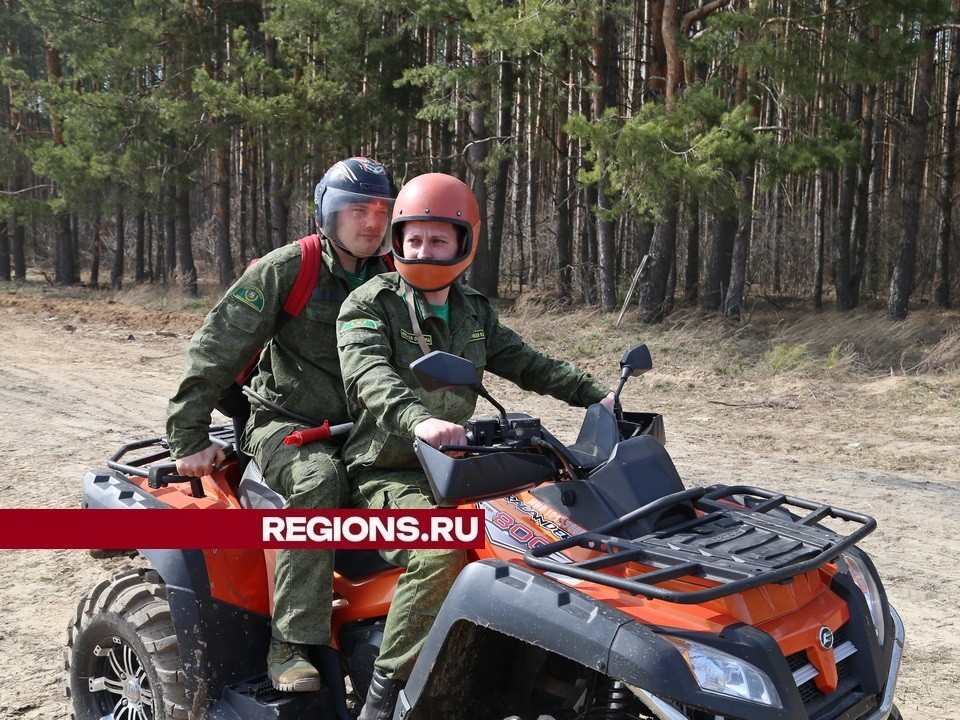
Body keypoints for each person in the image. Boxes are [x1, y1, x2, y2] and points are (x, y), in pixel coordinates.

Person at [336, 172, 615, 720]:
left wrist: (597, 397)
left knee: (553, 534)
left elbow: (526, 361)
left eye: (438, 239)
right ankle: (386, 693)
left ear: (465, 243)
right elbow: (368, 376)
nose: (423, 250)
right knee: (441, 551)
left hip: (461, 467)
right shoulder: (368, 306)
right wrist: (417, 420)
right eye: (413, 238)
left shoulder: (471, 309)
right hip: (388, 473)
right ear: (396, 240)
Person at [165, 157, 396, 692]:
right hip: (285, 422)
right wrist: (189, 437)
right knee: (318, 483)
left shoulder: (394, 277)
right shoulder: (289, 268)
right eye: (356, 210)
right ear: (327, 215)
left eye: (381, 210)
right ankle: (289, 645)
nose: (370, 223)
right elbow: (215, 349)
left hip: (363, 425)